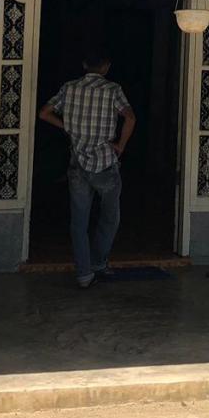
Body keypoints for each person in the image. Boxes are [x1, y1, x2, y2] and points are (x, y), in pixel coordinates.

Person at [39, 52, 136, 287]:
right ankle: (99, 263)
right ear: (106, 67)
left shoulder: (69, 88)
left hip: (78, 164)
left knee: (78, 222)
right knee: (110, 218)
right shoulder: (112, 89)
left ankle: (84, 274)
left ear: (84, 65)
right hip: (105, 163)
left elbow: (44, 113)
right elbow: (130, 118)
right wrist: (121, 146)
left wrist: (68, 127)